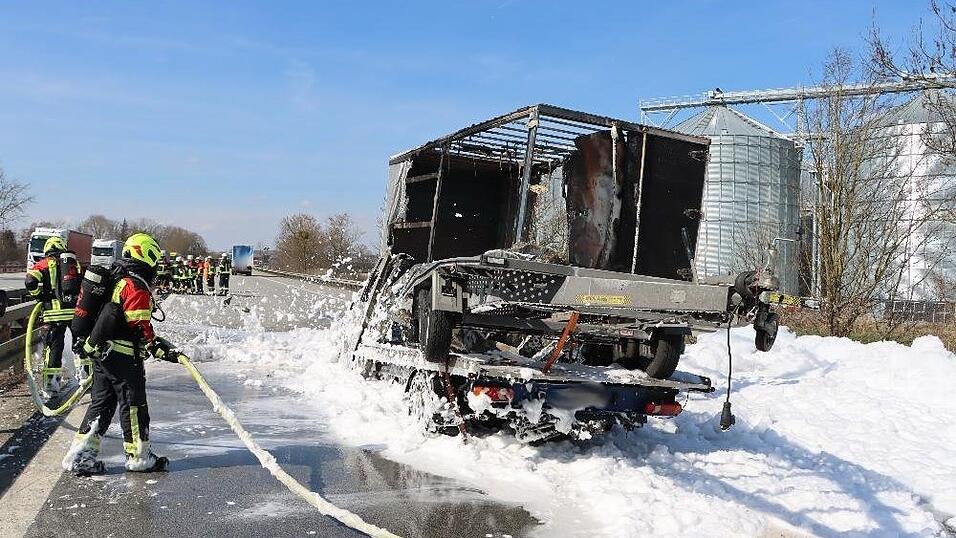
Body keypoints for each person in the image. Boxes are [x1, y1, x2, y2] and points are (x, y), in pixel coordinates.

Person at [62, 233, 183, 475]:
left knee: (102, 404)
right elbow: (139, 325)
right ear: (146, 255)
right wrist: (155, 346)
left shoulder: (117, 279)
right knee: (134, 404)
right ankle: (139, 457)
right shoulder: (134, 285)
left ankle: (80, 456)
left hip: (102, 353)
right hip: (123, 357)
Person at [25, 236, 83, 394]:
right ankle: (84, 375)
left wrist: (39, 296)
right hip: (73, 313)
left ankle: (52, 385)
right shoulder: (73, 264)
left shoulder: (43, 264)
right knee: (79, 344)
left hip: (53, 315)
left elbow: (30, 281)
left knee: (54, 348)